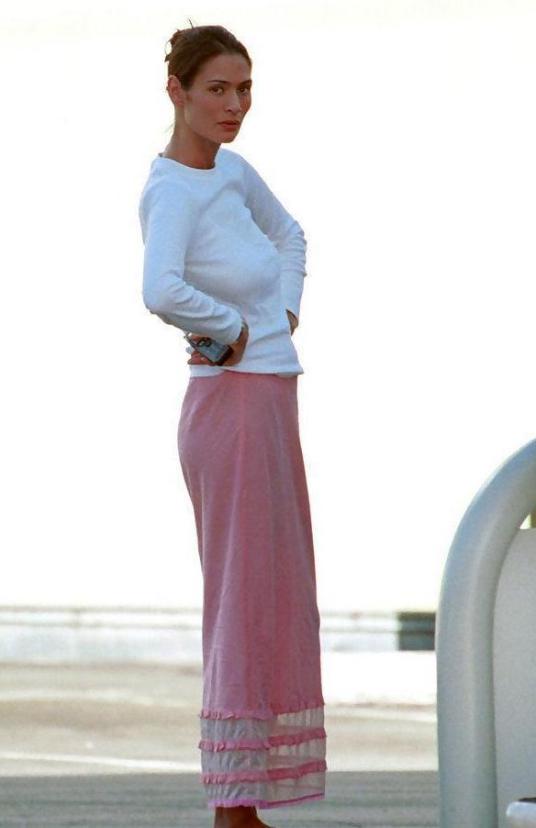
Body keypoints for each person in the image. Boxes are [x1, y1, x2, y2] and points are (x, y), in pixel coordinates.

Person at [138, 23, 326, 828]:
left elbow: (291, 235)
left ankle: (246, 800)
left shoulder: (233, 172)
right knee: (243, 598)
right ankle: (233, 804)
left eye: (244, 89)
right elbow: (159, 288)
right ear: (177, 91)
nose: (234, 104)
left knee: (278, 594)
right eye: (217, 89)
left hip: (269, 399)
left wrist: (282, 313)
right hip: (231, 408)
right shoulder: (171, 190)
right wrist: (230, 329)